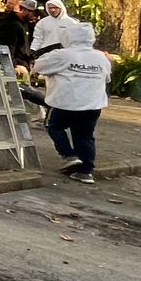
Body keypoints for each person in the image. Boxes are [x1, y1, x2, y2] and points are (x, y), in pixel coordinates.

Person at [32, 21, 110, 183]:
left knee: (53, 126)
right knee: (85, 136)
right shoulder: (101, 58)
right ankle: (85, 171)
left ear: (68, 37)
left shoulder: (62, 55)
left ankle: (68, 155)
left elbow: (39, 66)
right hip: (92, 104)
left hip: (65, 101)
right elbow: (107, 78)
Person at [0, 0, 35, 69]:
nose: (8, 5)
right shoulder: (7, 21)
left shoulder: (26, 24)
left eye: (11, 4)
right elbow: (7, 45)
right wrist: (13, 64)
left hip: (21, 62)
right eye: (8, 3)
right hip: (10, 61)